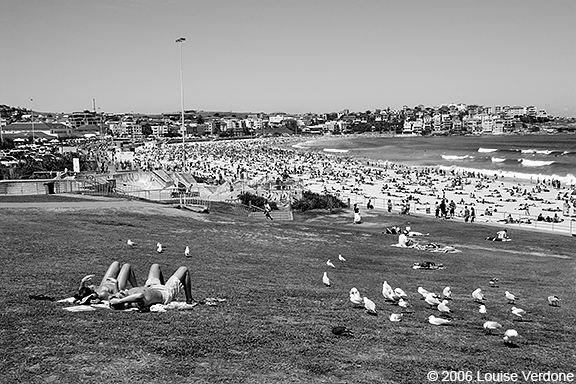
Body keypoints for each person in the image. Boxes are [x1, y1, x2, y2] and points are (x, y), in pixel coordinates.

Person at [109, 264, 195, 310]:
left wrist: (115, 296)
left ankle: (162, 283)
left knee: (155, 266)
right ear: (124, 302)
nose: (120, 292)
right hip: (165, 293)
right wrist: (119, 301)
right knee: (184, 269)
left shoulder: (127, 294)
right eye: (120, 295)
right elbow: (139, 296)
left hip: (152, 286)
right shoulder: (135, 303)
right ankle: (189, 299)